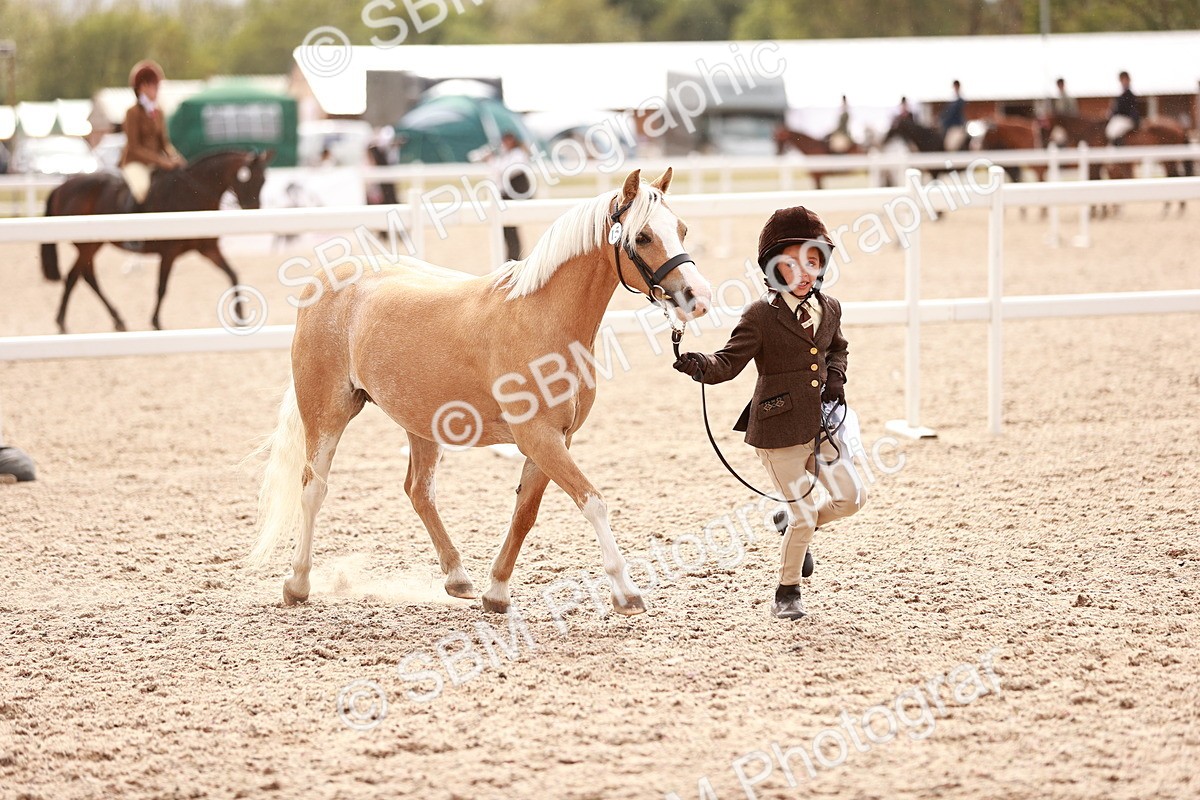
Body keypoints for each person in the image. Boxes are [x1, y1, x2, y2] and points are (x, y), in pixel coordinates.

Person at [672, 206, 868, 621]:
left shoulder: (829, 307)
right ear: (773, 268)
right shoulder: (760, 315)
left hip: (824, 424)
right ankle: (787, 590)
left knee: (852, 499)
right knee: (802, 515)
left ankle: (794, 522)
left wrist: (836, 374)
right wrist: (701, 366)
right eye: (792, 263)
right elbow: (729, 361)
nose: (803, 272)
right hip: (779, 430)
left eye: (812, 262)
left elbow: (838, 348)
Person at [119, 59, 185, 212]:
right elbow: (134, 147)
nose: (158, 90)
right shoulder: (132, 113)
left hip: (157, 163)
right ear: (142, 87)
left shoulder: (159, 112)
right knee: (142, 190)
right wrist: (162, 161)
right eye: (155, 86)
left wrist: (174, 157)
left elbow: (164, 142)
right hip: (135, 163)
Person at [491, 131, 534, 262]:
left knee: (511, 230)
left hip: (514, 196)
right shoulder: (508, 155)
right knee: (508, 230)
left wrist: (492, 160)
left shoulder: (517, 154)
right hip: (508, 196)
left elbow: (508, 171)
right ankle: (512, 258)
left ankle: (514, 258)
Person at [1107, 71, 1140, 143]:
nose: (1124, 82)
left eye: (1126, 80)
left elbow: (1124, 110)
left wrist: (1113, 112)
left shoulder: (1129, 94)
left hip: (1127, 119)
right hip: (1121, 118)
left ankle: (1118, 149)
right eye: (1122, 80)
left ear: (1129, 80)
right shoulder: (1121, 94)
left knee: (1113, 131)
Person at [940, 80, 967, 151]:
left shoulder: (959, 100)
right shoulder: (952, 100)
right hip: (950, 127)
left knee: (951, 147)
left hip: (957, 126)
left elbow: (952, 114)